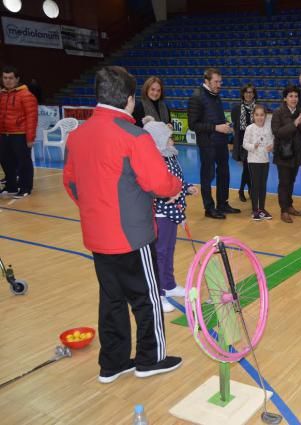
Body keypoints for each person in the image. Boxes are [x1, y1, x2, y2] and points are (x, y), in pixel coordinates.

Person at [63, 66, 183, 383]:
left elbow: (71, 183)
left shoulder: (77, 135)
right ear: (130, 100)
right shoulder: (134, 136)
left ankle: (113, 363)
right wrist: (174, 189)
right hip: (132, 236)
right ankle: (150, 359)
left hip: (97, 235)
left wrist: (94, 209)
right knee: (146, 298)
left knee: (112, 299)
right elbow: (159, 182)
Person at [143, 117, 198, 312]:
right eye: (167, 138)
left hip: (173, 211)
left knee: (169, 249)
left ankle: (169, 284)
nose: (171, 139)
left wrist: (186, 188)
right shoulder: (157, 161)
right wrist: (176, 206)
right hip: (162, 213)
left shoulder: (170, 156)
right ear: (157, 140)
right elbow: (161, 190)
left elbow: (175, 182)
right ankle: (158, 293)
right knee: (161, 253)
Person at [187, 68, 240, 219]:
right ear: (206, 81)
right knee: (207, 175)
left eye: (220, 81)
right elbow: (193, 124)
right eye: (216, 82)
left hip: (221, 142)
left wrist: (226, 125)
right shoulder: (196, 97)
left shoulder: (215, 95)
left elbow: (214, 118)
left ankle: (223, 204)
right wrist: (216, 127)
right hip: (207, 144)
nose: (219, 84)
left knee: (224, 173)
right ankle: (209, 208)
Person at [271, 85, 301, 223]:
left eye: (296, 96)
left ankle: (289, 205)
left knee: (291, 181)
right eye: (290, 96)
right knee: (284, 182)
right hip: (283, 153)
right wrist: (294, 124)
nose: (294, 99)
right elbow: (277, 132)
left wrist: (300, 123)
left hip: (297, 152)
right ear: (285, 98)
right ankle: (283, 210)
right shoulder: (278, 113)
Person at [0, 65, 38, 198]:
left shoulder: (26, 95)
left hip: (20, 134)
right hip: (4, 134)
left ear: (17, 79)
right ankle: (11, 186)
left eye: (11, 78)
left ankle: (25, 187)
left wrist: (30, 138)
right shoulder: (2, 95)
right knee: (5, 161)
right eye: (5, 78)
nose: (7, 80)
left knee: (23, 162)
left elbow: (32, 118)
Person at [242, 104, 274, 221]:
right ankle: (255, 210)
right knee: (255, 185)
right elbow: (245, 144)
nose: (259, 117)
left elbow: (271, 141)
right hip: (253, 161)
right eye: (257, 115)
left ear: (265, 116)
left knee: (263, 185)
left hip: (265, 160)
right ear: (253, 116)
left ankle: (262, 209)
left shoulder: (268, 128)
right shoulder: (249, 128)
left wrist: (271, 146)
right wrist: (253, 146)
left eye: (262, 115)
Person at [231, 84, 257, 203]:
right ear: (243, 94)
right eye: (246, 92)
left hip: (254, 142)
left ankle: (243, 190)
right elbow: (236, 126)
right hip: (242, 143)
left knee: (249, 168)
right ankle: (248, 190)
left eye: (251, 92)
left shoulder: (258, 108)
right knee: (247, 167)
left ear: (254, 94)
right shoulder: (236, 108)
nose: (248, 94)